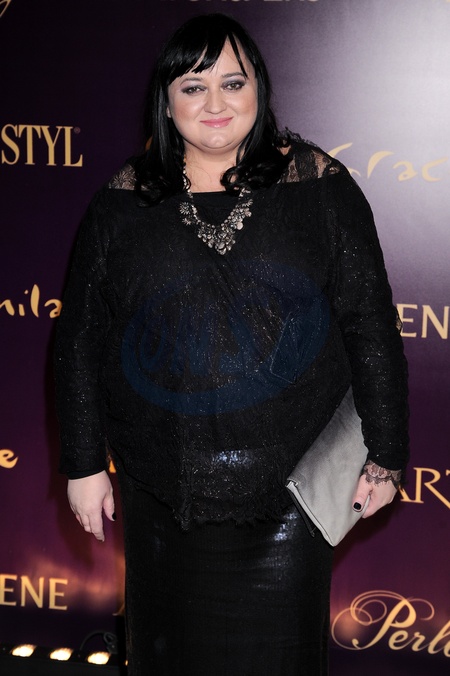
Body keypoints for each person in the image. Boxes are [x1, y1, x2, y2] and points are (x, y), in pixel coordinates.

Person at [54, 13, 409, 676]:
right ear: (166, 101)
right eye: (193, 86)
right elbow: (81, 340)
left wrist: (385, 457)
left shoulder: (319, 187)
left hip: (292, 494)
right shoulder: (123, 203)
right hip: (160, 492)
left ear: (259, 90)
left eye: (233, 82)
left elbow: (369, 324)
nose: (215, 102)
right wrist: (82, 464)